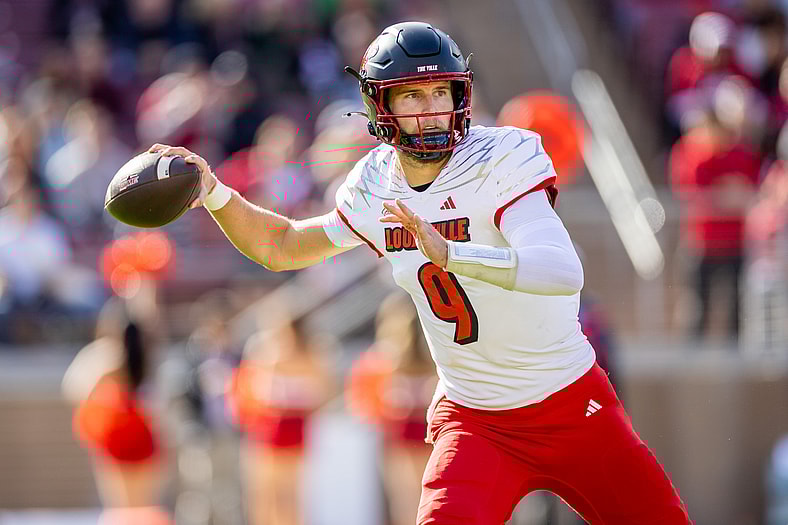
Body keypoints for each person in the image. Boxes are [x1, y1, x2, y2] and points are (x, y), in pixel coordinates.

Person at [148, 20, 692, 525]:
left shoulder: (502, 156)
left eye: (441, 92)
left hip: (570, 404)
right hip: (476, 419)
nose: (432, 109)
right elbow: (284, 244)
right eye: (412, 94)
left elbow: (560, 269)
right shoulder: (375, 183)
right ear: (380, 104)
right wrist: (214, 194)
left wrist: (453, 254)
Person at [61, 297, 171, 525]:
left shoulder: (104, 355)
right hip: (142, 437)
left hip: (120, 437)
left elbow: (73, 389)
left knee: (122, 507)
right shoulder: (142, 355)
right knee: (144, 505)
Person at [227, 307, 334, 525]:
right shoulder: (279, 355)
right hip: (274, 427)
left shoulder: (272, 356)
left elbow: (321, 394)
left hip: (284, 427)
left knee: (281, 494)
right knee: (268, 494)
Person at [347, 291, 438, 525]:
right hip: (424, 433)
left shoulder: (385, 359)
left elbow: (365, 401)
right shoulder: (433, 357)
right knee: (430, 496)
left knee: (407, 497)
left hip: (405, 435)